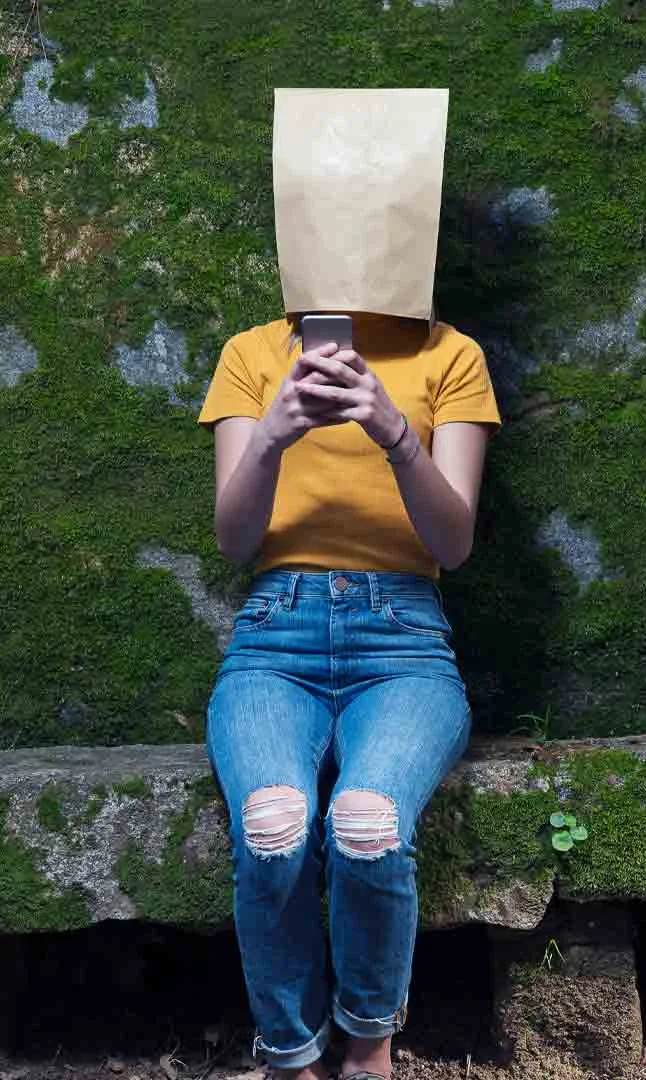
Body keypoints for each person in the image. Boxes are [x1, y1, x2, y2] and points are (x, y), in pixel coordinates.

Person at [195, 307, 501, 1080]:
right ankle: (291, 1055)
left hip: (403, 640)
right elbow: (235, 542)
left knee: (366, 823)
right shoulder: (252, 352)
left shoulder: (451, 353)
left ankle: (369, 1047)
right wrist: (274, 432)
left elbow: (454, 545)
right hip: (275, 636)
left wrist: (395, 431)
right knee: (273, 824)